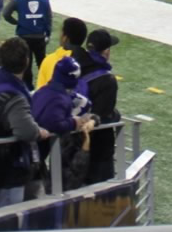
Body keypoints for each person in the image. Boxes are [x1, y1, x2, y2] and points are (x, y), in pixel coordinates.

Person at [0, 38, 51, 207]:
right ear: (27, 61)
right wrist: (40, 132)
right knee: (7, 221)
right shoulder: (14, 96)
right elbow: (26, 131)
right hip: (7, 168)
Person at [79, 28, 121, 183]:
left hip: (72, 142)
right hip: (98, 147)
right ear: (106, 52)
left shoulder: (76, 67)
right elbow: (103, 114)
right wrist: (115, 115)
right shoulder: (107, 80)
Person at [3, 0, 52, 78]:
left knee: (26, 65)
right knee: (42, 63)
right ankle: (44, 85)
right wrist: (47, 34)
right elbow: (48, 18)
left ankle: (28, 88)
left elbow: (6, 13)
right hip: (40, 36)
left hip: (24, 35)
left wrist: (16, 22)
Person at [36, 17, 87, 91]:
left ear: (65, 38)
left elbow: (40, 91)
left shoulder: (49, 60)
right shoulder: (88, 61)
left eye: (61, 32)